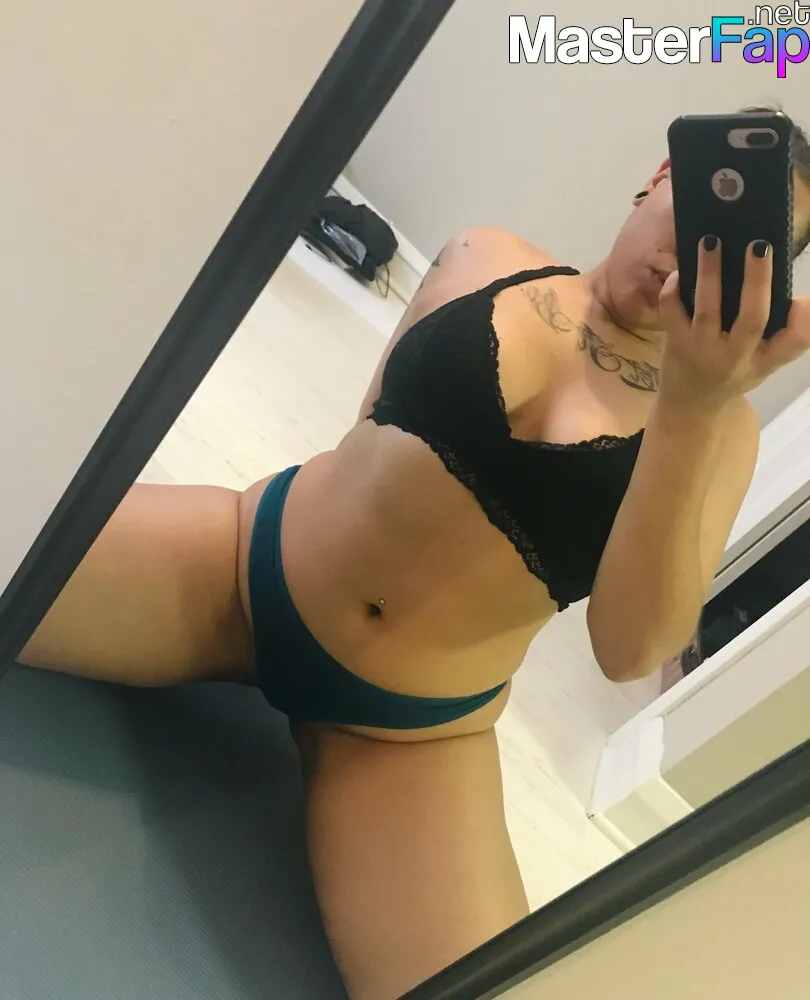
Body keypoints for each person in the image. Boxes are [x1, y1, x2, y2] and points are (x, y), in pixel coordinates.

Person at [18, 108, 810, 1000]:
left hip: (409, 738)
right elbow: (364, 430)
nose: (697, 259)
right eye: (701, 215)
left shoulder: (719, 434)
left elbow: (631, 651)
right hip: (242, 569)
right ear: (663, 177)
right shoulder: (482, 255)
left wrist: (690, 409)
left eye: (742, 254)